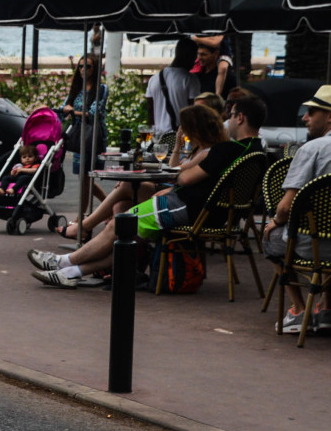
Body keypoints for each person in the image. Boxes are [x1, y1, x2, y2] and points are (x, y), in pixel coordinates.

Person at [28, 98, 266, 288]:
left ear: (241, 117)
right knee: (126, 235)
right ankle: (70, 271)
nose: (229, 120)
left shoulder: (227, 150)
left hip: (185, 207)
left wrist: (177, 181)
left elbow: (184, 177)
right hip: (213, 213)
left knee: (119, 225)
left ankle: (62, 261)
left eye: (232, 115)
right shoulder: (256, 151)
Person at [57, 101, 222, 241]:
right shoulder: (198, 149)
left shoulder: (208, 152)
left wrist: (164, 183)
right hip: (174, 192)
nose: (183, 130)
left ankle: (85, 227)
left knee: (127, 187)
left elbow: (176, 171)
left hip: (180, 200)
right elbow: (175, 167)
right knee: (120, 206)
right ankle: (120, 263)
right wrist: (178, 146)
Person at [263, 85, 331, 333]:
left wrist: (276, 222)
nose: (304, 117)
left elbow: (286, 207)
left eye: (311, 112)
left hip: (311, 245)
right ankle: (326, 310)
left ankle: (298, 309)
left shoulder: (313, 149)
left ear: (330, 116)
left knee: (271, 238)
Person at [62, 52, 108, 200]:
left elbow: (94, 112)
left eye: (87, 66)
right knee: (83, 178)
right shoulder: (76, 88)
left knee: (87, 178)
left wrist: (73, 111)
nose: (83, 69)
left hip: (93, 135)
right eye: (80, 66)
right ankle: (108, 208)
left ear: (94, 69)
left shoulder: (101, 89)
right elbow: (64, 108)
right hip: (79, 136)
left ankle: (82, 216)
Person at [145, 37, 197, 140]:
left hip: (157, 138)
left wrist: (149, 138)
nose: (195, 61)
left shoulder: (154, 79)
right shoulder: (190, 79)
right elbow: (194, 111)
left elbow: (150, 112)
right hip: (179, 138)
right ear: (189, 56)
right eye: (194, 57)